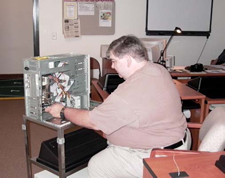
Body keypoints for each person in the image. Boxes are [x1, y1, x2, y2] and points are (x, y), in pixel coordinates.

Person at [45, 35, 191, 178]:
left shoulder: (129, 92)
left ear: (128, 60)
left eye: (114, 61)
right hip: (179, 141)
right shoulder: (158, 69)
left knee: (97, 165)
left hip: (159, 156)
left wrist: (62, 111)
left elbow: (92, 122)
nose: (112, 66)